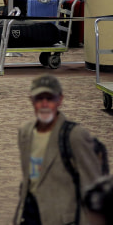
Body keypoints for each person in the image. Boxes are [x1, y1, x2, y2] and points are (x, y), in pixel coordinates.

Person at [13, 74, 103, 225]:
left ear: (60, 100)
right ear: (31, 101)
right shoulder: (25, 132)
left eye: (50, 98)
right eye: (39, 99)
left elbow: (92, 185)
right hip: (30, 213)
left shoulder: (75, 135)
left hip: (61, 218)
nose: (44, 104)